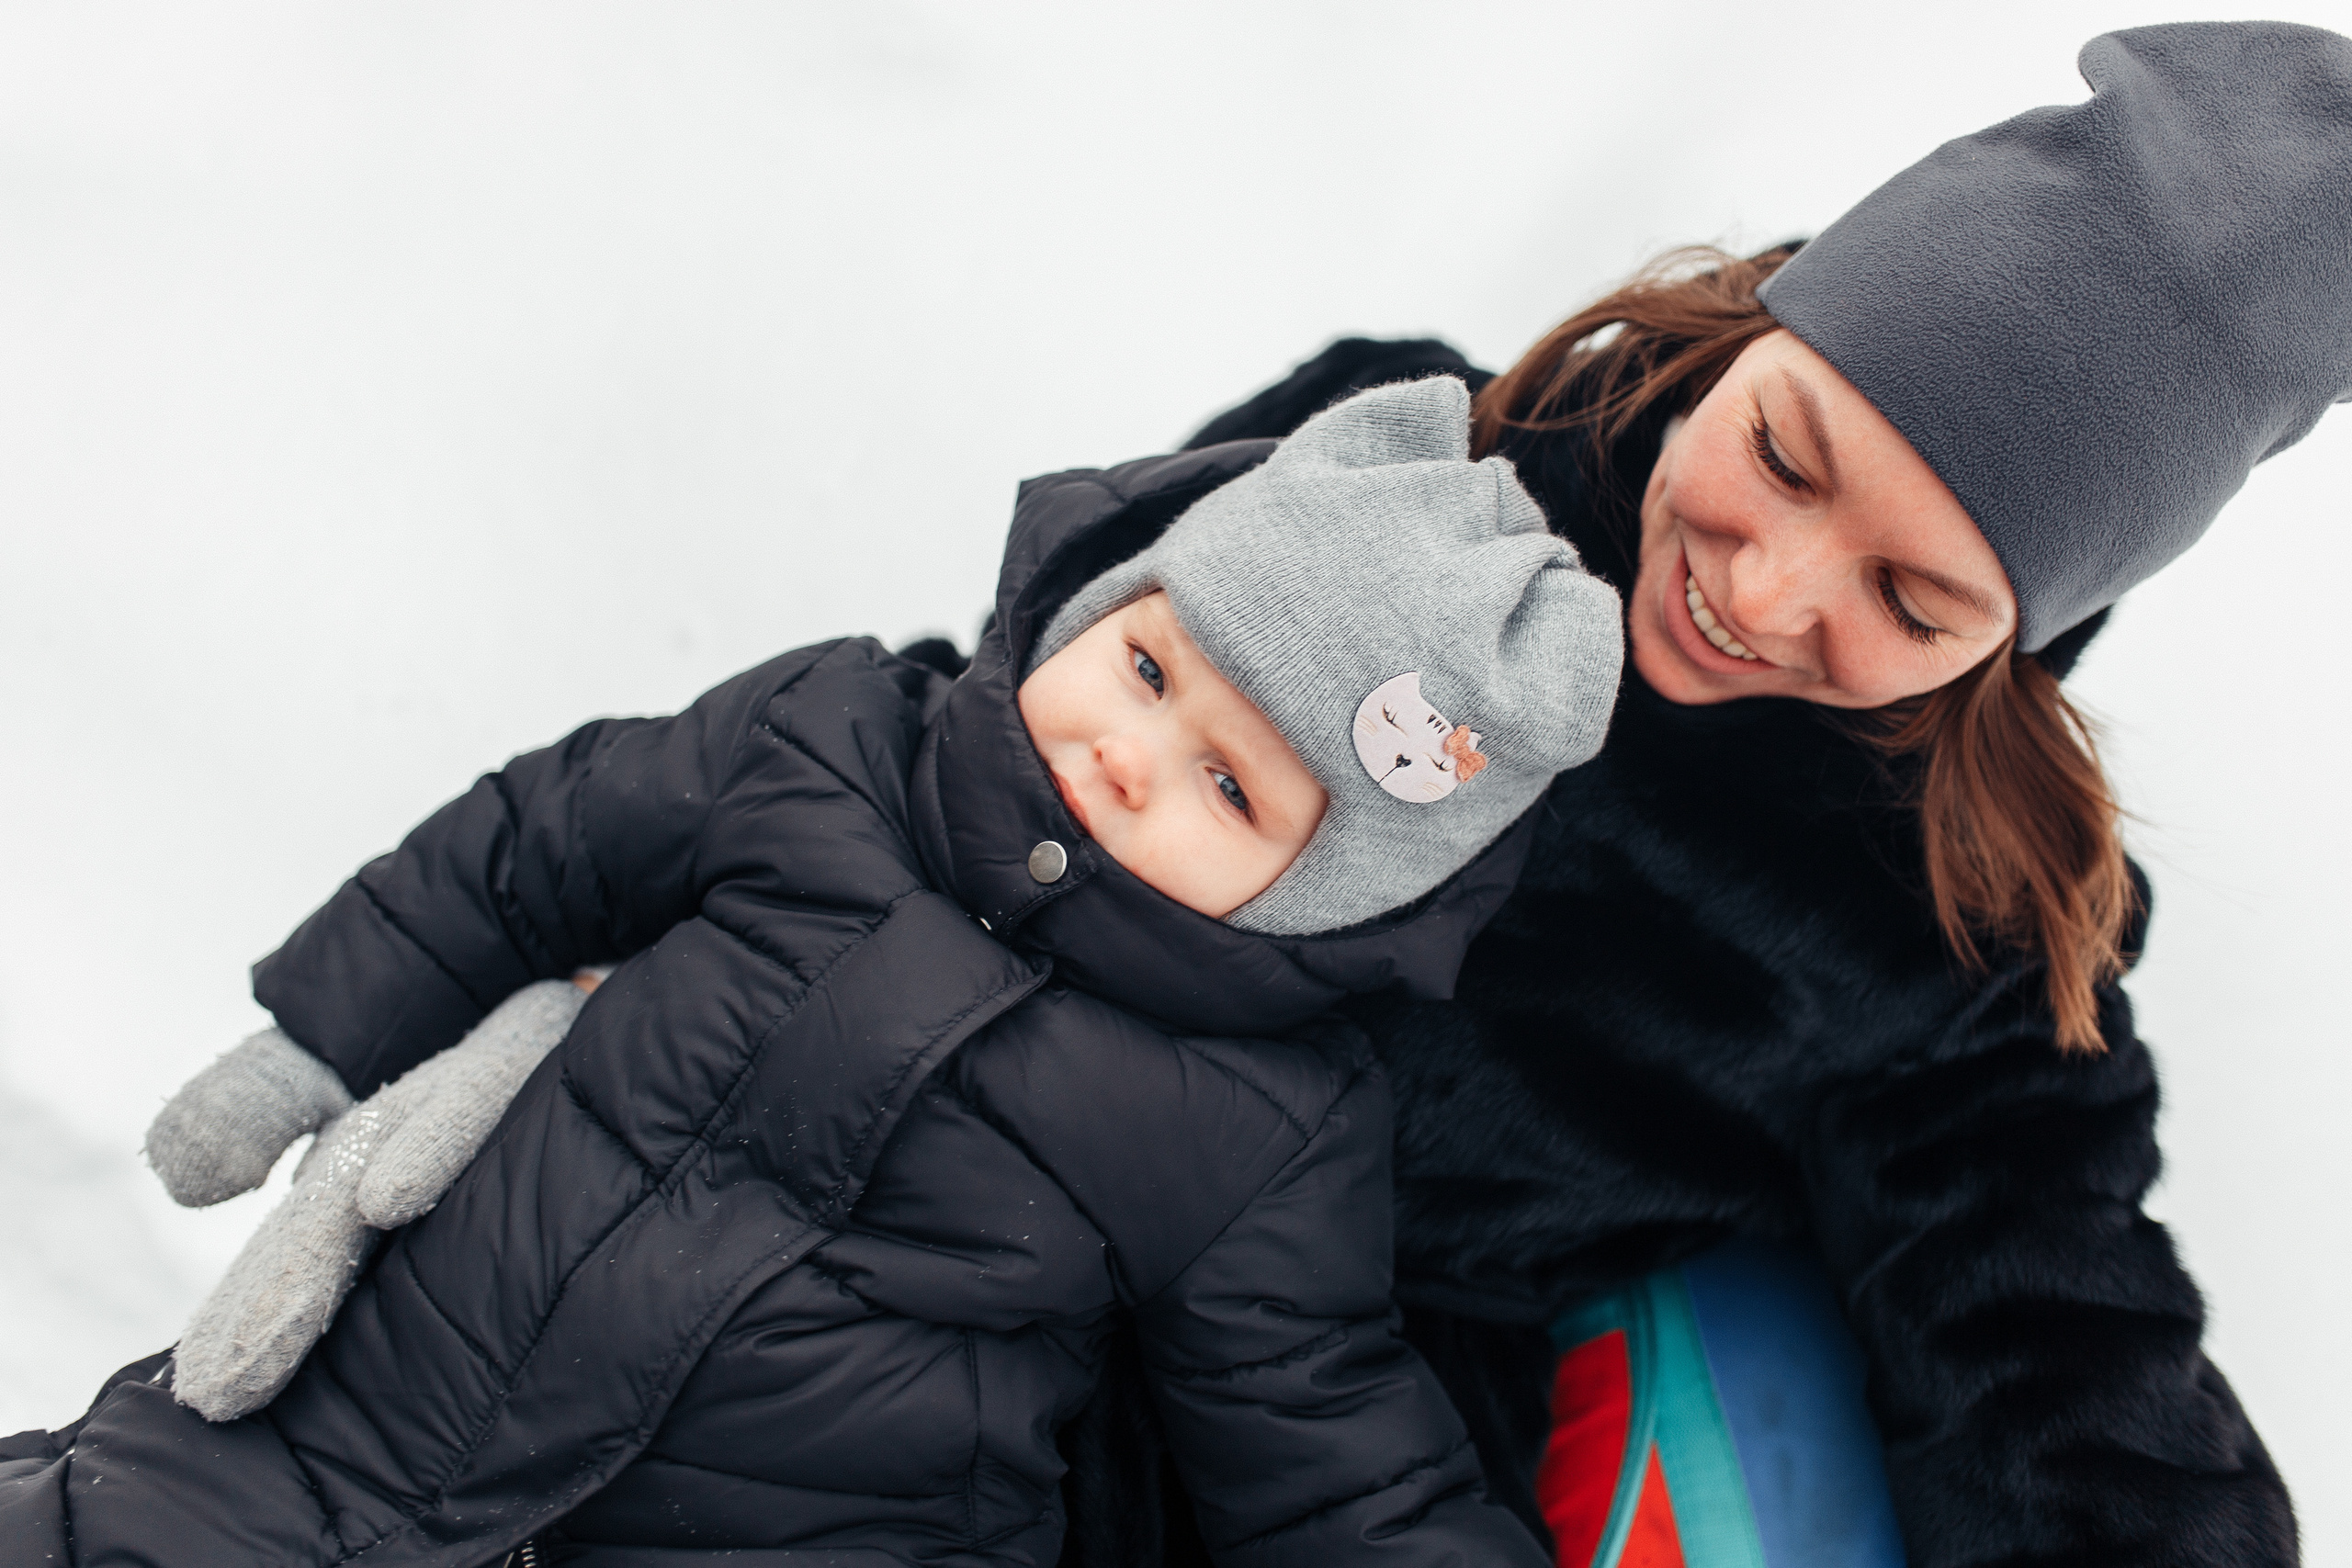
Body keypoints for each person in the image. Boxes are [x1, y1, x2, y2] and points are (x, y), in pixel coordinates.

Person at [0, 379, 1623, 1566]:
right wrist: (315, 1040)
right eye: (1146, 668)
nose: (1134, 757)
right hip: (363, 1424)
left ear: (1327, 897)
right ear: (1103, 599)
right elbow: (538, 841)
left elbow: (1325, 1430)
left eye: (1231, 787)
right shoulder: (832, 743)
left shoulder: (1265, 1121)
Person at [1141, 20, 2345, 1567]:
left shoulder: (1947, 918)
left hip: (1316, 1441)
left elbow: (2047, 1337)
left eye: (1908, 601)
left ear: (2015, 642)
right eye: (1782, 455)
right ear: (1750, 341)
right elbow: (1003, 705)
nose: (1763, 599)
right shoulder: (1389, 457)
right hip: (962, 1156)